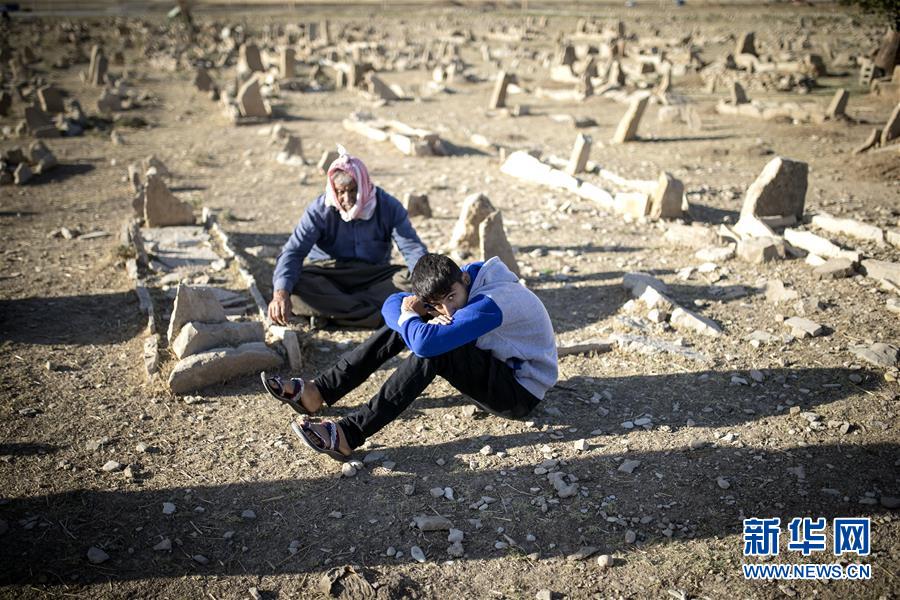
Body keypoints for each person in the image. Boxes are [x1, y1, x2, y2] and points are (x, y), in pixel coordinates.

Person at [261, 253, 558, 461]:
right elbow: (392, 303)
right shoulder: (458, 284)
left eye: (452, 298)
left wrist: (411, 319)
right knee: (413, 324)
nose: (449, 310)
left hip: (519, 391)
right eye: (439, 305)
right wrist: (410, 313)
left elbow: (425, 346)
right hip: (497, 367)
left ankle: (348, 434)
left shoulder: (492, 302)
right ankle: (319, 391)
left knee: (433, 348)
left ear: (464, 279)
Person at [268, 147, 427, 329]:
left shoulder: (387, 206)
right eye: (340, 192)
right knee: (296, 286)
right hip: (329, 274)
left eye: (353, 190)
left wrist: (427, 286)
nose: (347, 198)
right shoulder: (320, 210)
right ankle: (384, 316)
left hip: (373, 275)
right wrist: (280, 293)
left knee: (410, 279)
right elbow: (293, 252)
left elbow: (412, 247)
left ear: (364, 185)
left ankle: (333, 315)